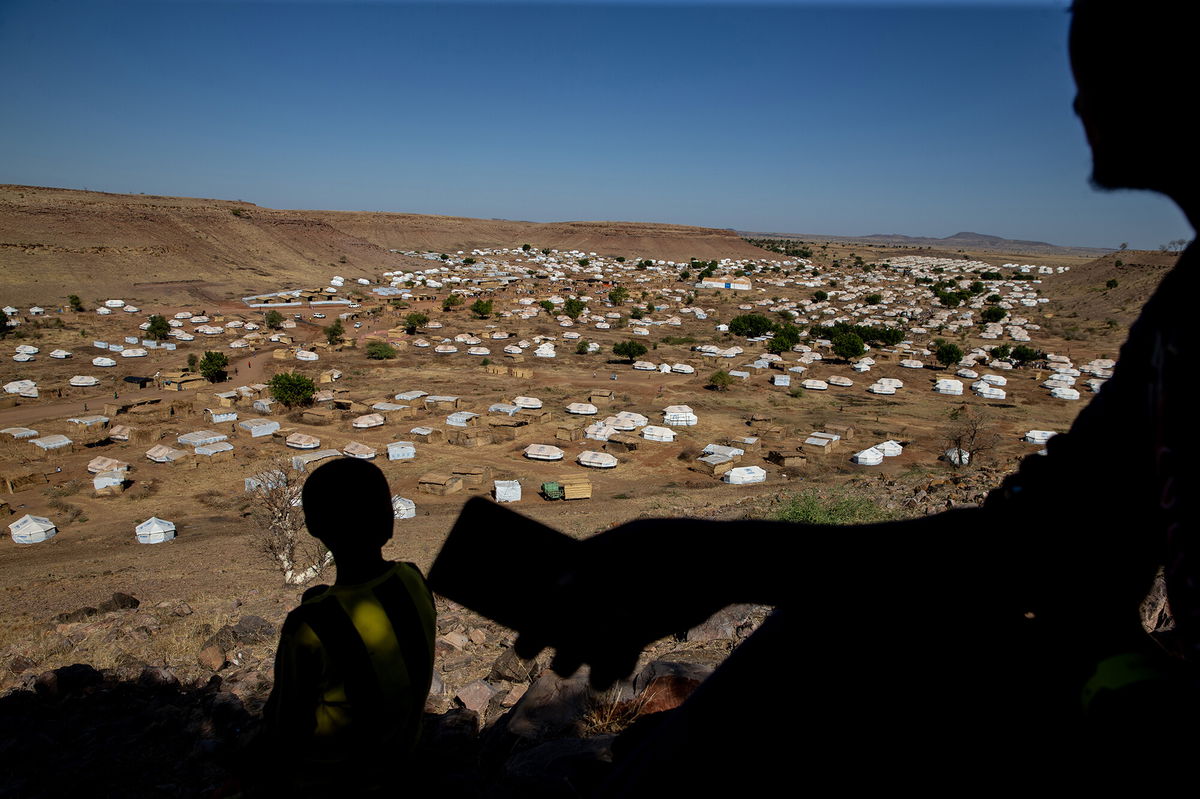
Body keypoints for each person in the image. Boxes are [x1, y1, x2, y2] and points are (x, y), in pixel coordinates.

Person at [439, 2, 1199, 791]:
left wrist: (713, 559)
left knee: (832, 639)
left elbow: (1029, 550)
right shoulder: (1184, 314)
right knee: (835, 625)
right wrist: (708, 557)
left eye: (1101, 55)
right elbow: (1042, 537)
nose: (1076, 99)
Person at [262, 458, 435, 792]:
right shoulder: (413, 579)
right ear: (389, 521)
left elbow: (282, 724)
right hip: (401, 757)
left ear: (313, 527)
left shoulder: (308, 625)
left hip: (333, 780)